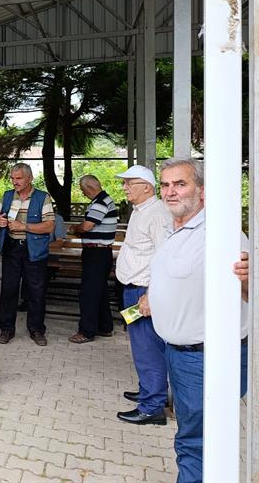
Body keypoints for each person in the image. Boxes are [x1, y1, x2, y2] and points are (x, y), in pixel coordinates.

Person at [141, 158, 249, 482]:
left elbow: (247, 288)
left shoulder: (220, 234)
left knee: (195, 442)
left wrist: (249, 280)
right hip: (179, 352)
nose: (170, 191)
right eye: (165, 185)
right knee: (192, 436)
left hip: (203, 357)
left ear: (201, 190)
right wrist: (152, 296)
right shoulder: (173, 228)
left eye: (180, 184)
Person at [112, 165, 171, 426]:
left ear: (146, 187)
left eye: (129, 183)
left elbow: (164, 257)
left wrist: (149, 294)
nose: (124, 187)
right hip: (134, 289)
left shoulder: (157, 214)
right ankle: (150, 390)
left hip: (142, 292)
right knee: (143, 346)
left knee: (148, 349)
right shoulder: (140, 211)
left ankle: (152, 406)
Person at [0, 163, 55, 346]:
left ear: (30, 178)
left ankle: (36, 330)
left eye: (19, 178)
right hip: (12, 248)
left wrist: (24, 227)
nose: (15, 182)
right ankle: (6, 329)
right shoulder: (7, 196)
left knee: (36, 291)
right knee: (8, 289)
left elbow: (49, 226)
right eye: (12, 178)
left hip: (34, 249)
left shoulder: (42, 197)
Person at [68, 175, 118, 344]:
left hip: (97, 253)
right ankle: (105, 326)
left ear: (90, 187)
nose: (84, 194)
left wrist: (75, 228)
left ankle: (87, 331)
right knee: (100, 292)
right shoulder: (104, 200)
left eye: (83, 190)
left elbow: (87, 225)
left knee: (89, 293)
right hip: (100, 252)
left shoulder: (100, 202)